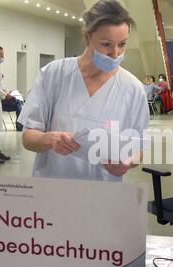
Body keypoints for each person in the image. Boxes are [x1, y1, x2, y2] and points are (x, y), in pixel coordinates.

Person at [18, 0, 149, 181]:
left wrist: (128, 161)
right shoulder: (54, 75)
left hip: (103, 195)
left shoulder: (132, 89)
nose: (116, 53)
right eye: (106, 44)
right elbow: (28, 137)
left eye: (122, 44)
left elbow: (138, 148)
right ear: (87, 37)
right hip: (53, 187)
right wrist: (50, 139)